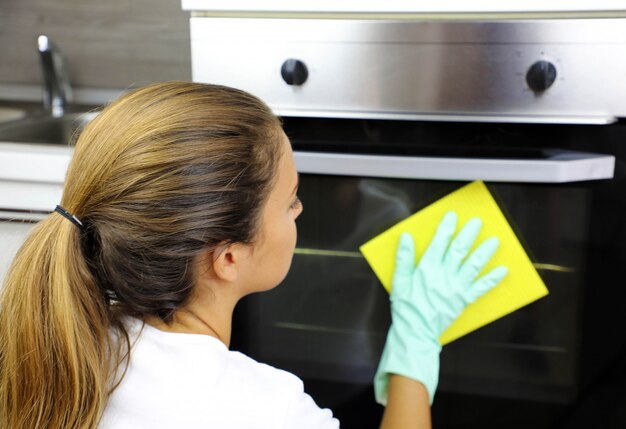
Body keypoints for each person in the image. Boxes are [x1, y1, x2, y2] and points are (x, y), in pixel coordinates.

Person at [0, 81, 507, 428]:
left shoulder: (64, 343)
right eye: (289, 202)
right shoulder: (265, 410)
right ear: (227, 258)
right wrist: (416, 346)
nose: (300, 209)